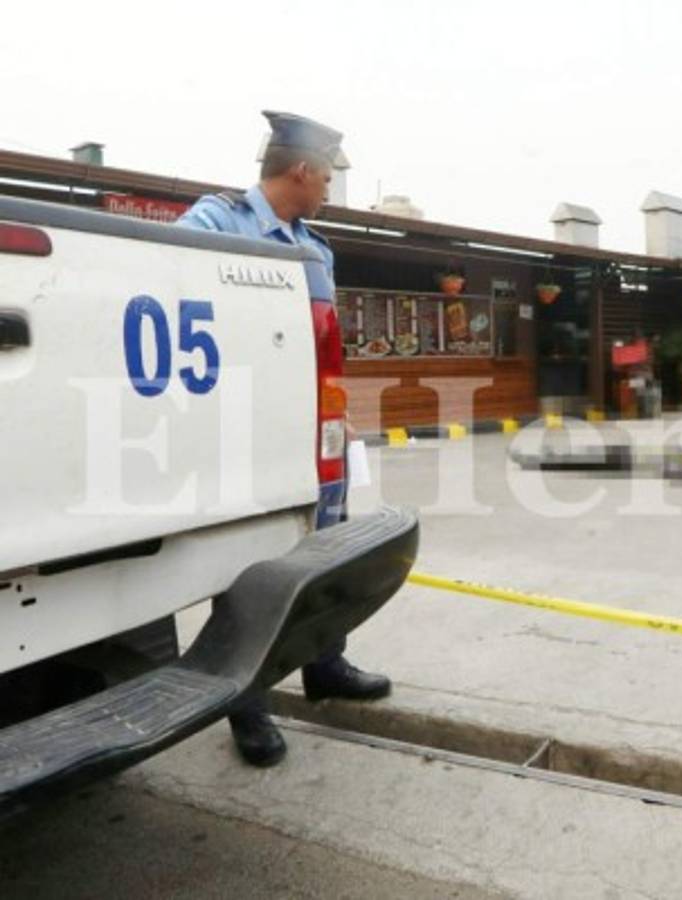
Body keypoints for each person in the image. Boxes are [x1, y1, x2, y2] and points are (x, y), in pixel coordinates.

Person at [179, 111, 391, 768]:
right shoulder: (215, 224)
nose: (328, 187)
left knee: (326, 551)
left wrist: (335, 409)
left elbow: (320, 345)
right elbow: (178, 300)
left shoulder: (315, 248)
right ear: (301, 169)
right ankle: (246, 703)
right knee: (248, 568)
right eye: (326, 176)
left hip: (313, 432)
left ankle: (326, 665)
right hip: (241, 429)